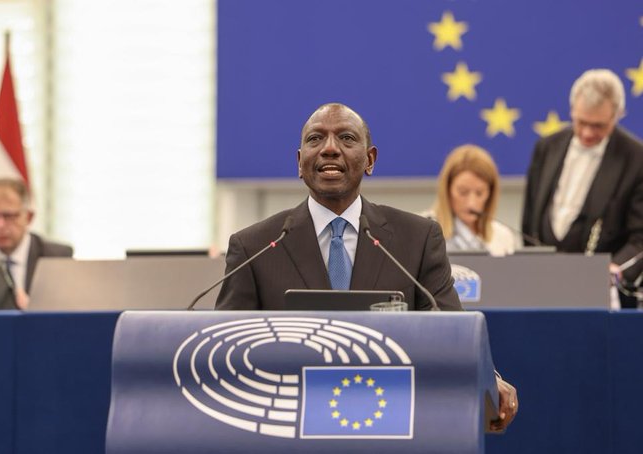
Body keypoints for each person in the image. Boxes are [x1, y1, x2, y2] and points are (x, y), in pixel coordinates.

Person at [215, 102, 518, 431]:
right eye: (316, 139)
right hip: (287, 425)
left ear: (370, 160)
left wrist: (490, 379)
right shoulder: (255, 246)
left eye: (346, 138)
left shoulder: (417, 238)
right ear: (299, 162)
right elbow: (225, 352)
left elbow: (452, 331)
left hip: (391, 421)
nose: (330, 149)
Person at [522, 69, 643, 308]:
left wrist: (612, 271)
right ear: (572, 111)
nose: (587, 133)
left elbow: (640, 238)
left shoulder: (637, 159)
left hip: (604, 297)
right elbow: (530, 218)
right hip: (543, 287)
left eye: (598, 126)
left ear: (617, 115)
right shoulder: (546, 147)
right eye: (581, 122)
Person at [0, 178, 73, 309]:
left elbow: (70, 314)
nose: (0, 225)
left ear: (29, 217)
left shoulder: (57, 257)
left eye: (9, 216)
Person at [430, 144, 517, 256]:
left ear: (490, 194)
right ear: (447, 189)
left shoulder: (502, 236)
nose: (471, 203)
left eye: (479, 193)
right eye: (463, 192)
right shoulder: (423, 231)